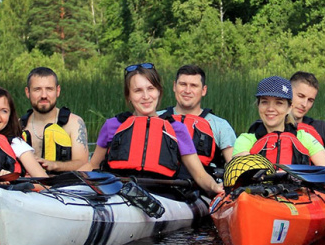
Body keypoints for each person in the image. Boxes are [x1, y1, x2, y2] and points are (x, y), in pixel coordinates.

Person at [81, 63, 223, 196]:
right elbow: (93, 165)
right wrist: (64, 182)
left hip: (163, 196)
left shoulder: (177, 128)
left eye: (151, 89)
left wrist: (214, 187)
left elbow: (199, 174)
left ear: (159, 91)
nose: (146, 97)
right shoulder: (113, 125)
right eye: (138, 91)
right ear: (129, 95)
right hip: (118, 194)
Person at [232, 75, 325, 198]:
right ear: (258, 105)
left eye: (279, 103)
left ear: (289, 107)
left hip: (296, 196)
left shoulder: (305, 138)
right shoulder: (245, 140)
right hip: (259, 197)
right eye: (265, 102)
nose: (270, 108)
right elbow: (243, 166)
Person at [157, 64, 236, 168]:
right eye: (183, 84)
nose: (187, 91)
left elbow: (235, 166)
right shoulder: (156, 118)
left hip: (205, 182)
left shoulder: (220, 126)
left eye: (194, 86)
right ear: (174, 86)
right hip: (160, 182)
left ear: (204, 90)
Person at [19, 67, 89, 172]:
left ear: (58, 91)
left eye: (49, 89)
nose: (43, 95)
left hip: (63, 186)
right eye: (37, 89)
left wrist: (54, 165)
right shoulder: (18, 125)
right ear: (27, 92)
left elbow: (83, 164)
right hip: (26, 186)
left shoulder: (74, 123)